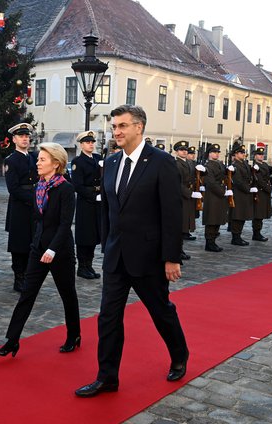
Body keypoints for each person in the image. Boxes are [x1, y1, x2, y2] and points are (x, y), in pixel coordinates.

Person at [75, 105, 188, 398]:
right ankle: (107, 377)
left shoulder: (161, 162)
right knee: (108, 318)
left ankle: (179, 354)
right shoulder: (110, 163)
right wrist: (105, 242)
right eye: (114, 127)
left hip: (148, 256)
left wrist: (171, 257)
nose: (117, 132)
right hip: (116, 254)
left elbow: (172, 214)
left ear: (139, 127)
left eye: (123, 126)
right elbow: (108, 208)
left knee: (160, 311)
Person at [0, 142, 80, 357]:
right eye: (38, 159)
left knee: (67, 294)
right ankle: (12, 340)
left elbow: (65, 224)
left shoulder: (66, 188)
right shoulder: (39, 187)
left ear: (56, 163)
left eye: (42, 160)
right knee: (27, 294)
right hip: (38, 249)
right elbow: (38, 220)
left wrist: (52, 249)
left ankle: (74, 335)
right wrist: (36, 244)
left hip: (60, 251)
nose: (38, 163)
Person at [4, 123, 38, 292]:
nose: (25, 139)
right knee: (19, 244)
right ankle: (19, 278)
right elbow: (14, 189)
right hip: (20, 207)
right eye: (21, 136)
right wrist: (35, 199)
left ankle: (29, 275)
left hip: (35, 207)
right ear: (14, 139)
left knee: (33, 242)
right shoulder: (11, 160)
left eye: (27, 136)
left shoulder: (34, 157)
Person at [71, 130, 103, 279]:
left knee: (93, 235)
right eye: (87, 142)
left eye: (92, 142)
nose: (91, 144)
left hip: (98, 200)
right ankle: (82, 266)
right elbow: (78, 185)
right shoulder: (78, 161)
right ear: (81, 144)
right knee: (85, 235)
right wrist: (93, 196)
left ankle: (89, 265)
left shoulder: (98, 158)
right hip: (86, 202)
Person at [174, 140, 203, 259]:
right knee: (180, 225)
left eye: (186, 150)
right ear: (176, 152)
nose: (184, 152)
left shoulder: (190, 163)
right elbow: (176, 183)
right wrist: (190, 193)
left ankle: (180, 249)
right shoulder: (175, 164)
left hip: (189, 196)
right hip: (181, 196)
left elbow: (194, 177)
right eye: (181, 150)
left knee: (185, 224)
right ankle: (177, 250)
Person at [202, 144, 229, 252]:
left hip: (220, 195)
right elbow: (211, 182)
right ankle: (209, 243)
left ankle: (213, 241)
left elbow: (225, 176)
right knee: (211, 219)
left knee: (217, 218)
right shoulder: (207, 166)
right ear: (209, 154)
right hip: (213, 196)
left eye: (218, 152)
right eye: (214, 152)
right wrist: (223, 192)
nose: (216, 154)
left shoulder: (220, 164)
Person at [228, 142, 253, 246]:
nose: (243, 154)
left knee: (242, 215)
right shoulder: (235, 166)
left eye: (244, 152)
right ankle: (235, 237)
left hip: (245, 193)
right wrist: (248, 189)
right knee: (237, 216)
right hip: (239, 194)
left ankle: (238, 235)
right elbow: (238, 181)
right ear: (236, 154)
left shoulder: (244, 164)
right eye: (241, 153)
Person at [250, 146, 271, 241]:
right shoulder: (255, 166)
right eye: (259, 154)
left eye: (262, 154)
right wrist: (268, 188)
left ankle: (258, 232)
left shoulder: (265, 165)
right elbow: (259, 180)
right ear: (255, 156)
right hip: (259, 192)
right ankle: (256, 233)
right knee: (258, 214)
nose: (261, 156)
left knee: (261, 214)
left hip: (265, 192)